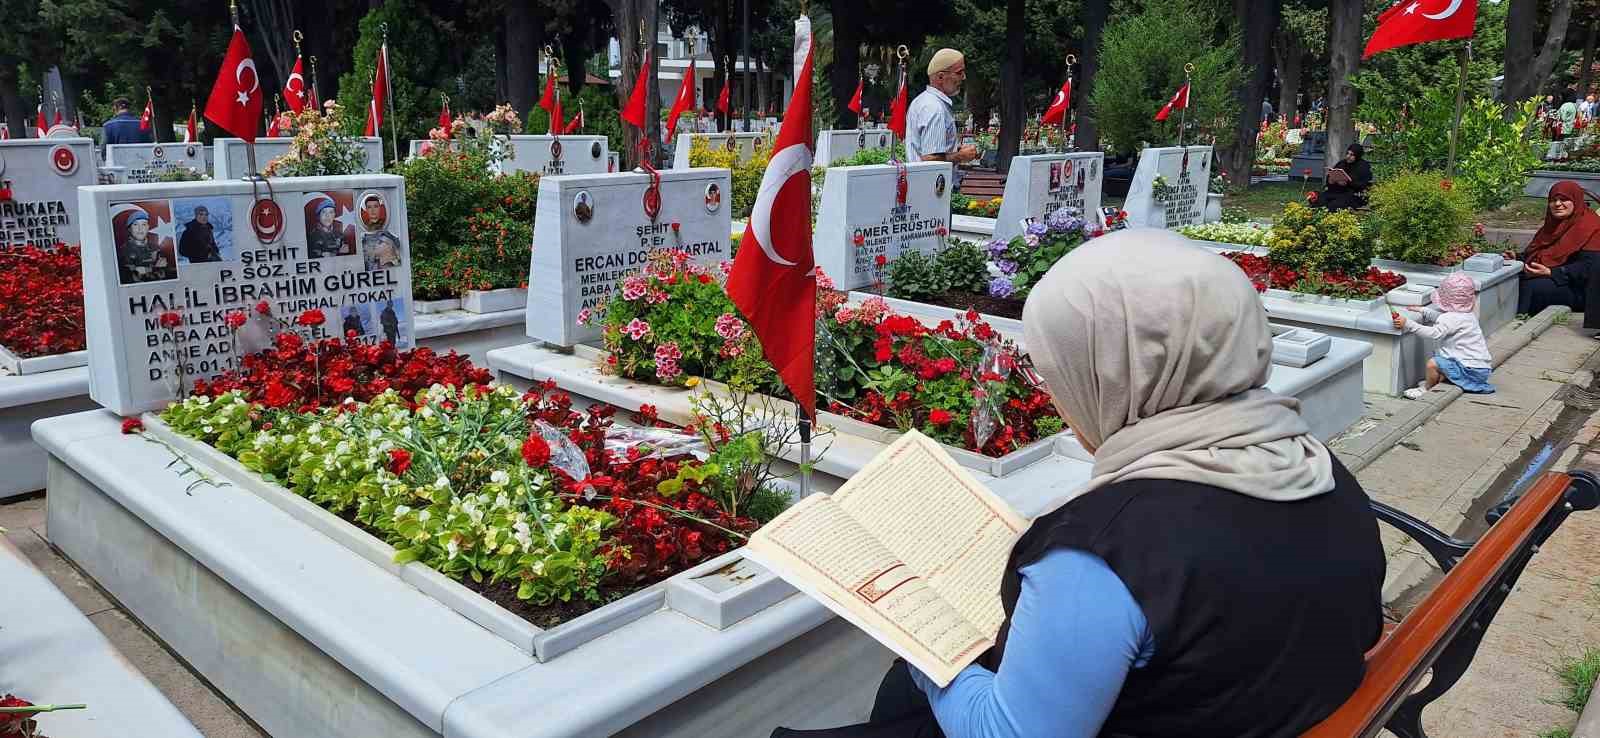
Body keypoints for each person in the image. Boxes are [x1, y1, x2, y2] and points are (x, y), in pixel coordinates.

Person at [774, 230, 1385, 738]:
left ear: (1120, 373)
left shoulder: (1106, 553)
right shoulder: (1313, 467)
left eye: (1062, 372)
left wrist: (917, 639)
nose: (1059, 397)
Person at [1393, 272, 1494, 399]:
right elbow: (1446, 320)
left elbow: (1434, 333)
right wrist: (1424, 311)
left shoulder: (1450, 318)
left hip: (1469, 370)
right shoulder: (1468, 315)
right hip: (1481, 370)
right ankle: (1436, 380)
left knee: (1433, 363)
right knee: (1443, 360)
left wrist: (1408, 323)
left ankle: (1426, 389)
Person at [1508, 181, 1600, 316]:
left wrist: (1552, 272)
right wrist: (1519, 257)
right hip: (1555, 279)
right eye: (1553, 200)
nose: (1557, 204)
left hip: (1580, 289)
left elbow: (1589, 267)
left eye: (1564, 199)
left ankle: (1517, 324)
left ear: (1576, 201)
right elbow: (1544, 251)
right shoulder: (1553, 225)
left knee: (1532, 287)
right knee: (1512, 278)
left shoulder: (1592, 227)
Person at [906, 49, 978, 166]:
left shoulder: (922, 100)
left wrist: (955, 150)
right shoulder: (934, 108)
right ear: (940, 77)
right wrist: (960, 156)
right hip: (931, 183)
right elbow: (929, 160)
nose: (963, 77)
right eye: (959, 72)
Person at [1311, 143, 1373, 211]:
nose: (1348, 156)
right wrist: (1330, 181)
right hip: (1336, 192)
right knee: (1318, 199)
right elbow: (1331, 175)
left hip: (1353, 195)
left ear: (1357, 155)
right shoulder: (1342, 163)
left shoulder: (1363, 167)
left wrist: (1347, 183)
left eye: (1352, 155)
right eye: (1347, 153)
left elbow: (1363, 185)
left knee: (1333, 205)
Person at [119, 212, 174, 283]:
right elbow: (132, 278)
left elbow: (165, 273)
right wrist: (155, 269)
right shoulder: (124, 251)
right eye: (135, 225)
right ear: (129, 229)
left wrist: (145, 270)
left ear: (148, 227)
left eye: (144, 224)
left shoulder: (155, 248)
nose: (140, 228)